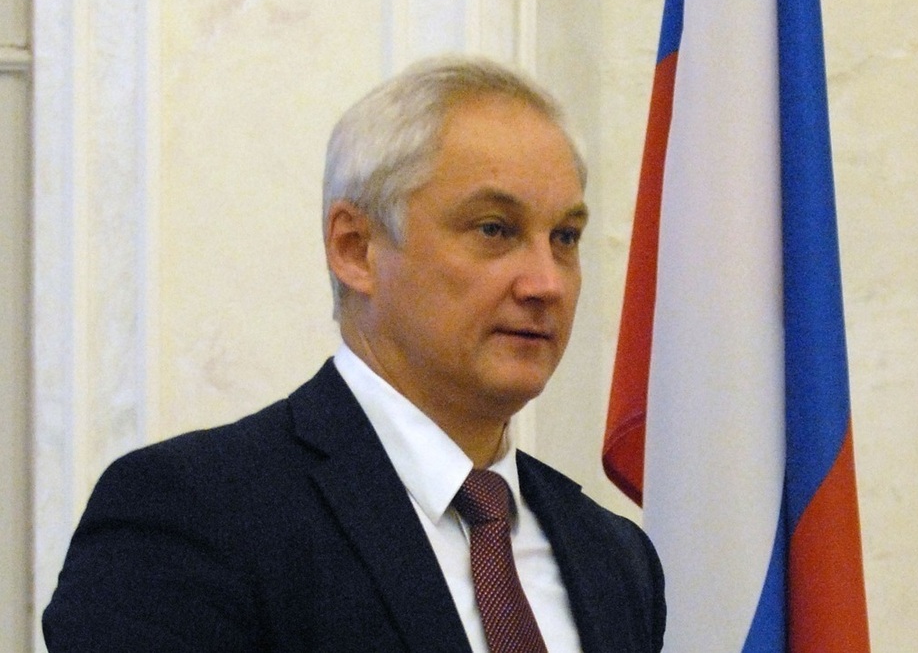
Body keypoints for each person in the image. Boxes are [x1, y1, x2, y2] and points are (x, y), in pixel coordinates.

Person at [43, 56, 666, 652]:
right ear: (355, 248)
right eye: (494, 229)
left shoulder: (613, 557)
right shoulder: (195, 513)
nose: (546, 283)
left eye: (565, 238)